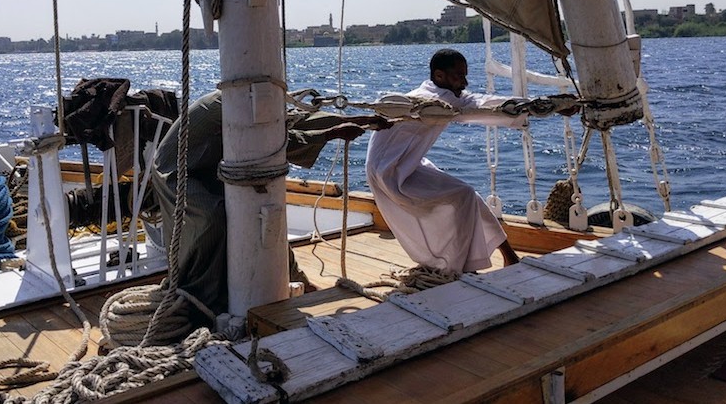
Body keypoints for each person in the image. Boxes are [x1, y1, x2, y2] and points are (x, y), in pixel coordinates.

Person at [148, 89, 390, 322]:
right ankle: (202, 297)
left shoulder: (252, 98)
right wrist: (331, 134)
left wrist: (359, 120)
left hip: (209, 167)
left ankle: (297, 279)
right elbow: (275, 139)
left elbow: (295, 122)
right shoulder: (233, 104)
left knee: (261, 209)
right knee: (212, 220)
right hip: (177, 171)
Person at [365, 48, 529, 274]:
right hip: (389, 174)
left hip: (409, 165)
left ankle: (509, 256)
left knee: (470, 197)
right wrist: (527, 108)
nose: (464, 81)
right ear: (439, 76)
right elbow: (475, 105)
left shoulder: (446, 98)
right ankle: (456, 268)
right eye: (458, 76)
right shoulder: (432, 101)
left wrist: (530, 106)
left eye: (464, 75)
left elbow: (479, 102)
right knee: (463, 196)